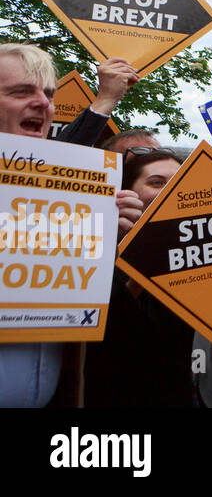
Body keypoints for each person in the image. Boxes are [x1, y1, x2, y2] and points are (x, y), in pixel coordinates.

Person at [0, 43, 145, 407]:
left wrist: (100, 245)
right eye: (20, 92)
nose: (44, 104)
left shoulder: (66, 197)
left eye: (48, 94)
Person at [84, 150, 199, 407]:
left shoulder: (196, 256)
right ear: (127, 192)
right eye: (157, 183)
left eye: (182, 181)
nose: (172, 191)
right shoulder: (92, 248)